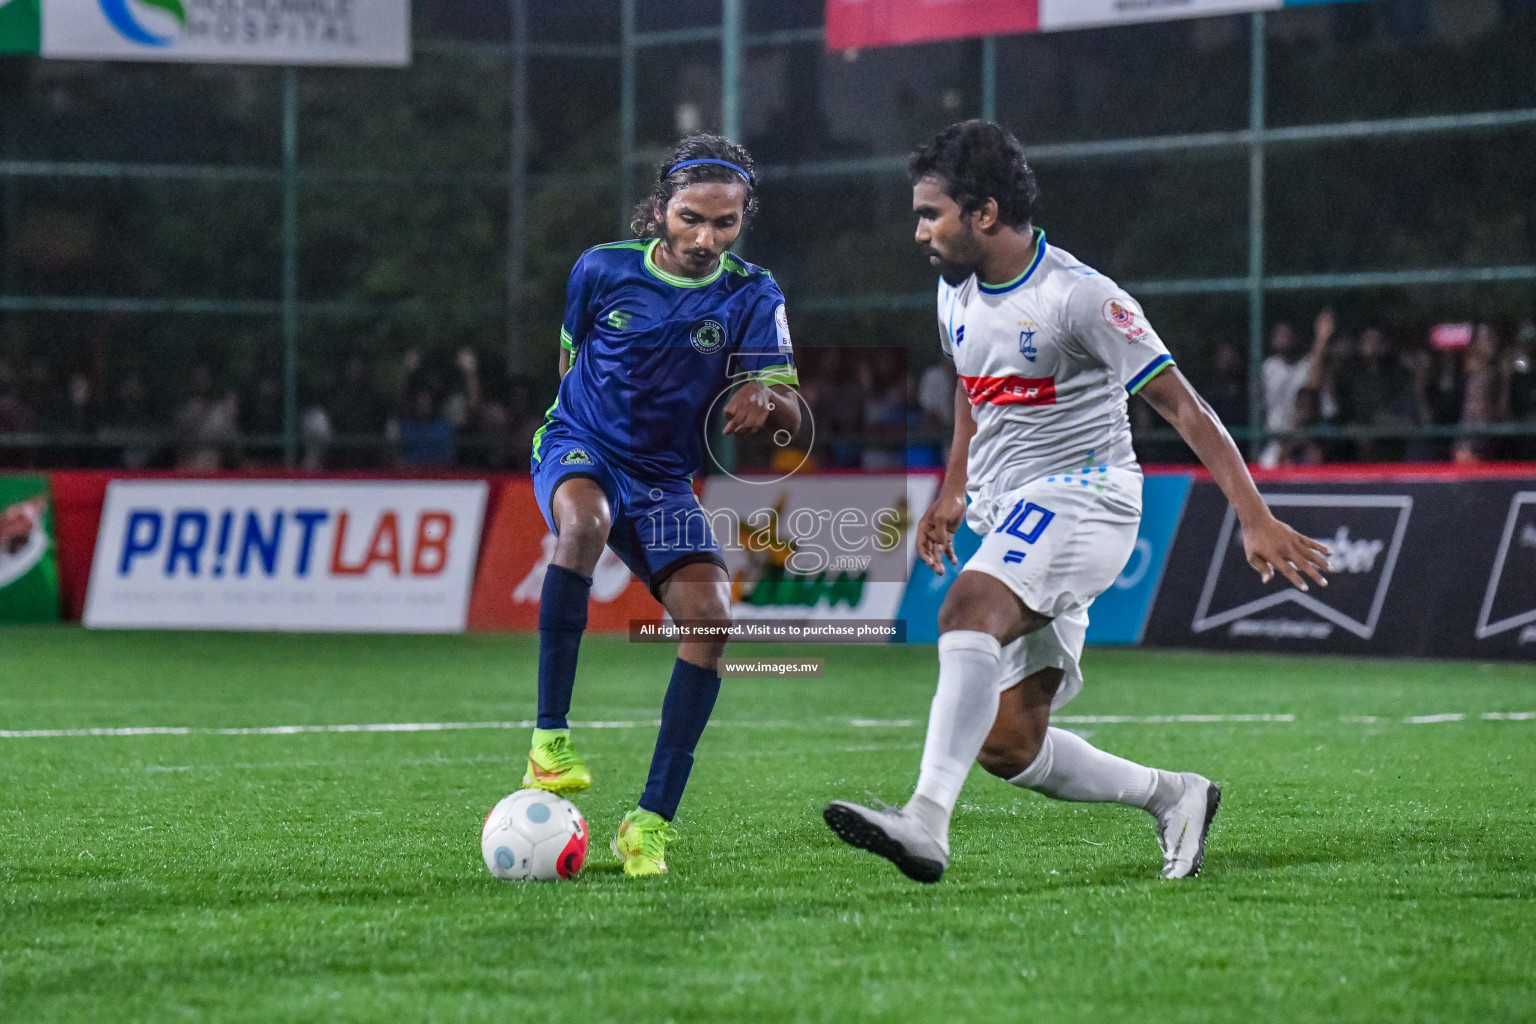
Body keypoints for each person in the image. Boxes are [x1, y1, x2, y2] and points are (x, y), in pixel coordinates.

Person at [823, 121, 1329, 884]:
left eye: (932, 213)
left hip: (1088, 499)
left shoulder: (1079, 296)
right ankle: (1175, 796)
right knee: (1008, 745)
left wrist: (1252, 515)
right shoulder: (952, 291)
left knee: (966, 609)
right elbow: (971, 385)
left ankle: (925, 822)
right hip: (1009, 509)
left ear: (984, 213)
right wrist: (954, 489)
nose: (918, 229)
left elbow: (1185, 407)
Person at [520, 133, 801, 878]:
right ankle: (550, 741)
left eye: (725, 223)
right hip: (579, 440)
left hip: (664, 479)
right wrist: (583, 428)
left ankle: (648, 824)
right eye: (689, 218)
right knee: (583, 523)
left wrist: (764, 395)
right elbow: (569, 362)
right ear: (659, 210)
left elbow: (790, 412)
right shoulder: (601, 267)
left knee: (712, 619)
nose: (705, 238)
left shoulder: (752, 294)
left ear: (744, 217)